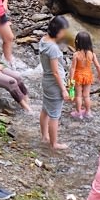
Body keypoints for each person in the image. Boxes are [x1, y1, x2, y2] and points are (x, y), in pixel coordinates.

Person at [39, 15, 70, 150]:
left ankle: (44, 136)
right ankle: (54, 143)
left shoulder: (43, 40)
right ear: (58, 30)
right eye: (64, 30)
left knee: (45, 109)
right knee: (55, 115)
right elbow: (56, 71)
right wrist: (63, 89)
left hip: (46, 81)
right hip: (54, 84)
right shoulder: (53, 48)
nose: (65, 33)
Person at [69, 31, 100, 120]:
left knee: (78, 96)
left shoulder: (76, 54)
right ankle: (88, 112)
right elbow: (98, 66)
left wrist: (71, 79)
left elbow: (72, 68)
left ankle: (78, 112)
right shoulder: (92, 54)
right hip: (88, 76)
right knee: (86, 96)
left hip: (78, 77)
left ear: (77, 42)